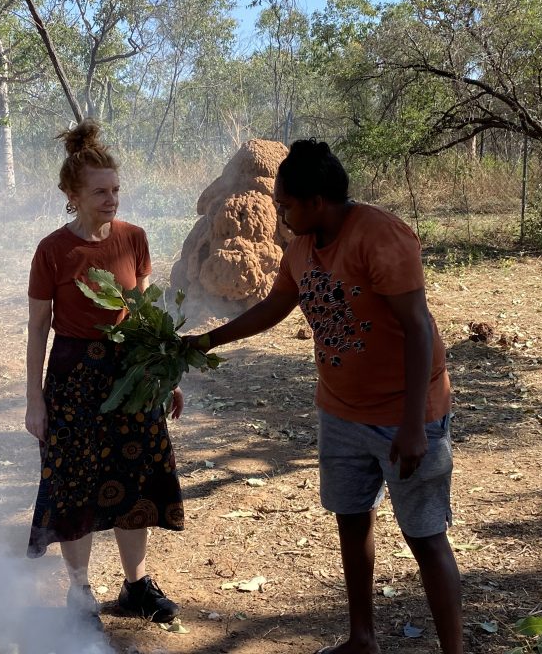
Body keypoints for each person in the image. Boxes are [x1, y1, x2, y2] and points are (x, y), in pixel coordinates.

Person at [193, 139, 462, 654]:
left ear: (317, 200)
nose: (280, 213)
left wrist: (411, 427)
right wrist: (206, 341)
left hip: (406, 413)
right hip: (340, 411)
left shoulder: (381, 238)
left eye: (286, 204)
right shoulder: (301, 247)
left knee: (425, 536)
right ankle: (362, 639)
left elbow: (418, 329)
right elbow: (273, 308)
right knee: (351, 518)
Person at [25, 118, 185, 631]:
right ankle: (79, 594)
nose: (112, 199)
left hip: (131, 374)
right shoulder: (53, 251)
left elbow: (140, 314)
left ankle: (136, 586)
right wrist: (34, 401)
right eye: (100, 191)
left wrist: (165, 375)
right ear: (73, 194)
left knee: (133, 478)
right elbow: (37, 331)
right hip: (73, 378)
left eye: (116, 189)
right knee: (75, 485)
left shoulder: (134, 239)